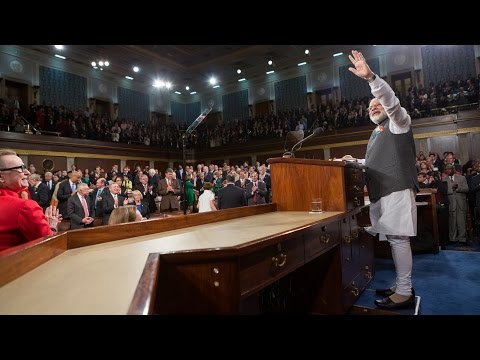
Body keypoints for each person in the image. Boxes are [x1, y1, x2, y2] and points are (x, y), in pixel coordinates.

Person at [347, 50, 418, 310]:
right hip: (382, 191)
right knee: (393, 240)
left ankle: (404, 291)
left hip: (396, 189)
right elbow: (375, 162)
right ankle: (401, 285)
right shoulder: (376, 133)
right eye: (370, 107)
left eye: (377, 105)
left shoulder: (399, 122)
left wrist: (371, 79)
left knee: (399, 240)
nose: (374, 108)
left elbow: (391, 101)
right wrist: (353, 161)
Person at [0, 149, 61, 253]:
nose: (27, 172)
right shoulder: (25, 207)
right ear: (1, 177)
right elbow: (51, 246)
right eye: (20, 168)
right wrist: (52, 227)